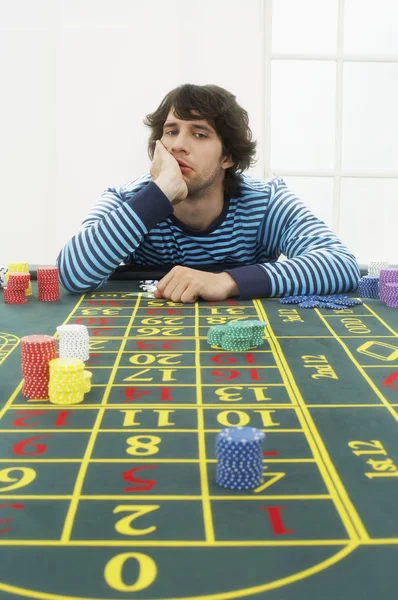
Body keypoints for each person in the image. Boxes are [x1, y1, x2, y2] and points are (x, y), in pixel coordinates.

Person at [57, 83, 360, 302]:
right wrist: (159, 194)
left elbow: (339, 264)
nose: (178, 145)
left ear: (227, 157)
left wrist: (227, 281)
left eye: (199, 134)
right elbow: (72, 273)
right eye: (171, 131)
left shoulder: (266, 201)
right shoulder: (128, 200)